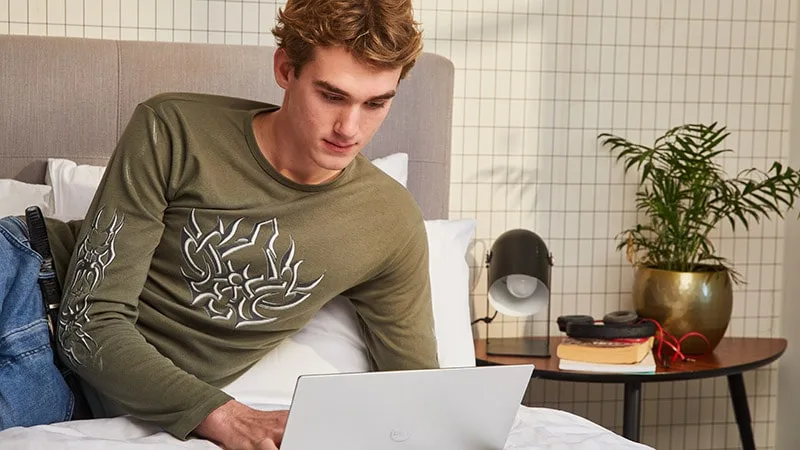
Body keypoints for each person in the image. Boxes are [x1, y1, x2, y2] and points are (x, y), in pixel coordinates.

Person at [46, 0, 439, 448]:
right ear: (285, 69)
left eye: (375, 103)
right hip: (26, 289)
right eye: (331, 96)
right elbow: (87, 322)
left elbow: (417, 394)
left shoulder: (389, 222)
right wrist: (225, 416)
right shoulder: (175, 129)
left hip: (73, 395)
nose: (349, 128)